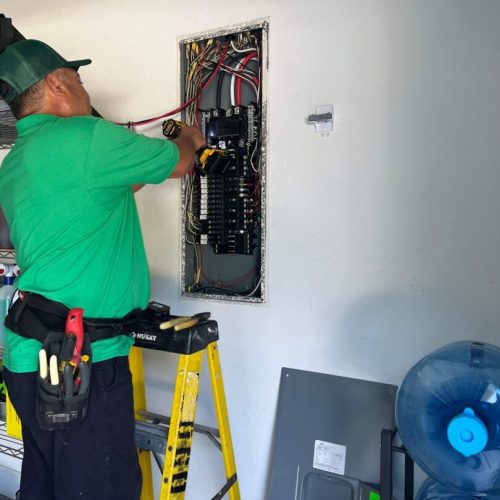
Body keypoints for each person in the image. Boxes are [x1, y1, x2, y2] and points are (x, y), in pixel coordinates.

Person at [0, 39, 205, 500]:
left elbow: (100, 195)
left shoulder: (15, 163)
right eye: (78, 77)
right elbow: (181, 162)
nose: (84, 87)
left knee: (45, 484)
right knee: (101, 488)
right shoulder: (86, 137)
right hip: (80, 366)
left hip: (28, 354)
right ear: (58, 83)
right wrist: (190, 137)